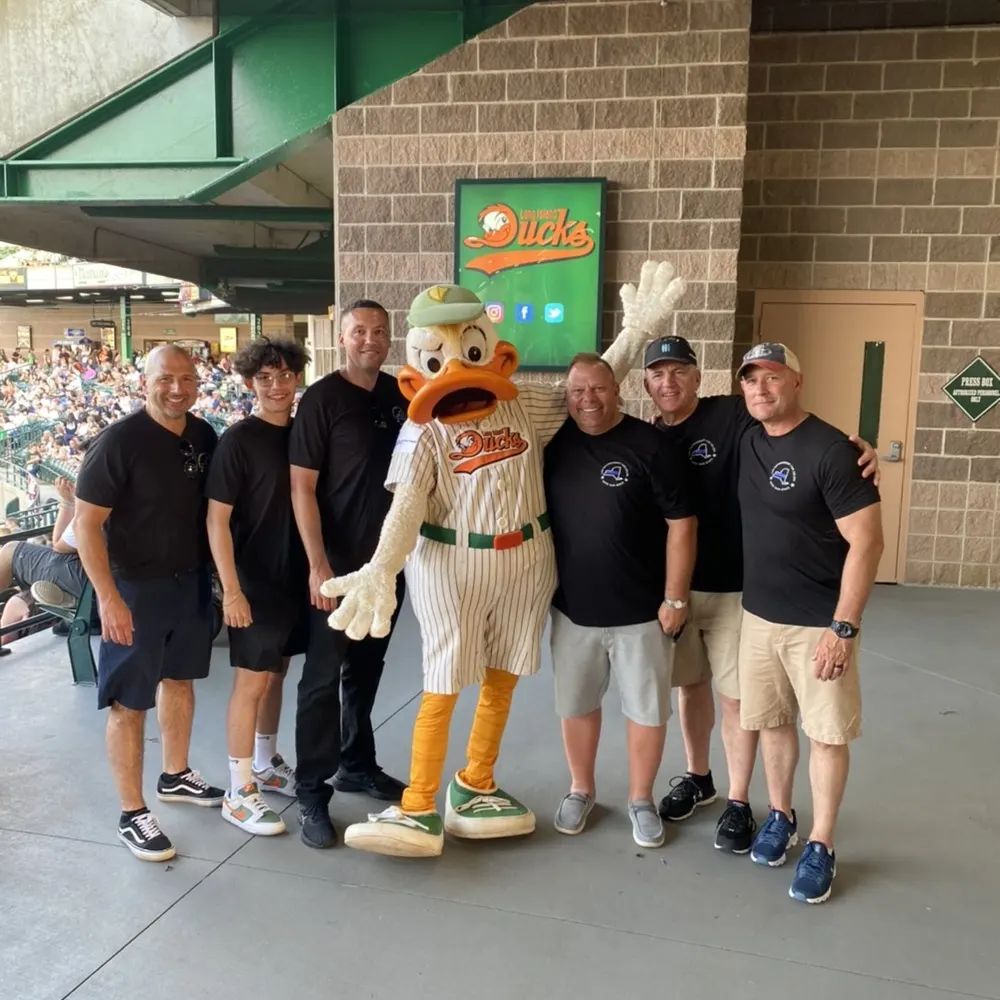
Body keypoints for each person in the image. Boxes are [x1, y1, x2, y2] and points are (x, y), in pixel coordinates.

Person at [646, 335, 879, 855]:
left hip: (759, 598)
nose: (669, 382)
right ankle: (720, 787)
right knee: (711, 697)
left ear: (697, 376)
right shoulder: (651, 436)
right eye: (752, 379)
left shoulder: (735, 418)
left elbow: (805, 437)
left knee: (760, 710)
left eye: (679, 371)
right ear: (645, 383)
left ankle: (762, 813)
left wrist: (857, 448)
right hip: (703, 596)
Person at [736, 342, 882, 904]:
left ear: (797, 380)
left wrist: (843, 627)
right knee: (772, 724)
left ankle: (821, 842)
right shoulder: (747, 436)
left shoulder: (832, 450)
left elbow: (867, 543)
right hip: (757, 618)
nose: (760, 389)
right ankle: (780, 816)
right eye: (751, 380)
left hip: (817, 625)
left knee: (825, 735)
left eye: (772, 378)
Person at [74, 344, 224, 863]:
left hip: (189, 584)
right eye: (166, 378)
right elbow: (86, 525)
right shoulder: (118, 442)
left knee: (179, 680)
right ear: (145, 382)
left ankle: (176, 774)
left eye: (186, 378)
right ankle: (131, 811)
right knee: (128, 702)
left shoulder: (204, 435)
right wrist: (110, 599)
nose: (177, 388)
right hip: (134, 590)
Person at [544, 355, 696, 848]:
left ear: (618, 389)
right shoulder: (553, 444)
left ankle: (641, 799)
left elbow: (682, 524)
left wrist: (675, 597)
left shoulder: (651, 445)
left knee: (647, 711)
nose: (588, 400)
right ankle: (580, 789)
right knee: (576, 706)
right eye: (578, 391)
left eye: (599, 389)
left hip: (642, 613)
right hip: (573, 610)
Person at [289, 300, 408, 848]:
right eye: (359, 331)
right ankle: (311, 789)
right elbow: (302, 487)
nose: (370, 339)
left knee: (366, 669)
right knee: (320, 682)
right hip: (336, 572)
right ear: (341, 339)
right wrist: (317, 564)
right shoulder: (322, 398)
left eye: (379, 332)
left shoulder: (399, 396)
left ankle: (356, 762)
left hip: (384, 568)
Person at [206, 338, 311, 837]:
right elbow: (216, 521)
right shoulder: (238, 441)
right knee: (250, 681)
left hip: (294, 578)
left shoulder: (303, 435)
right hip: (252, 581)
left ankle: (267, 763)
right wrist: (231, 590)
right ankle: (238, 789)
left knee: (276, 673)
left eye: (284, 375)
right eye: (265, 378)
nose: (276, 385)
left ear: (296, 379)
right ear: (250, 384)